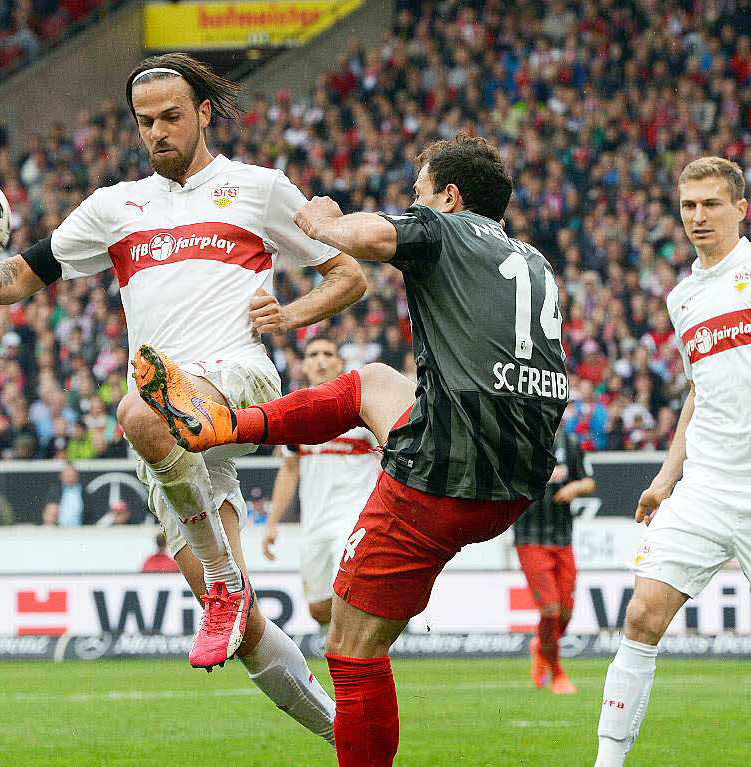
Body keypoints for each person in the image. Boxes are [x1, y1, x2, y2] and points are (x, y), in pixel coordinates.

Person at [0, 53, 366, 743]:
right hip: (169, 428)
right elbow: (30, 269)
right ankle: (350, 738)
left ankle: (223, 577)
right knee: (246, 625)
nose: (158, 131)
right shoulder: (116, 206)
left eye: (171, 116)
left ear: (203, 112)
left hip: (236, 377)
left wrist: (292, 315)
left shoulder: (258, 190)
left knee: (136, 405)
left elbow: (349, 274)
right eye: (145, 122)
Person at [133, 132, 568, 767]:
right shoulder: (532, 260)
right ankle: (223, 423)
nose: (410, 203)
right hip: (519, 478)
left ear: (449, 197)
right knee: (375, 384)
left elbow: (368, 239)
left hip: (443, 477)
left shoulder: (445, 229)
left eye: (417, 193)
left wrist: (318, 219)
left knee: (353, 652)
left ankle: (220, 424)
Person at [594, 157, 751, 766]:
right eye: (689, 206)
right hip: (706, 484)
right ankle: (608, 763)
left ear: (740, 209)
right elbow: (698, 392)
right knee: (642, 614)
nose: (698, 217)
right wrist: (665, 477)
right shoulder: (682, 297)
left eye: (711, 204)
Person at [264, 336, 381, 630]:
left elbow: (384, 463)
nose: (320, 359)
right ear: (303, 364)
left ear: (339, 363)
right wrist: (272, 522)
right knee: (318, 607)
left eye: (327, 353)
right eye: (313, 353)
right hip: (314, 521)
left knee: (347, 596)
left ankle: (355, 661)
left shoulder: (361, 409)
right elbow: (289, 470)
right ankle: (347, 650)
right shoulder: (296, 414)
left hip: (354, 518)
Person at [513, 420, 595, 695]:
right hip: (530, 536)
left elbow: (588, 481)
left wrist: (575, 488)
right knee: (549, 609)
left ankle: (541, 646)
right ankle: (557, 673)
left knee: (566, 611)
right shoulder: (519, 442)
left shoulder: (569, 443)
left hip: (562, 537)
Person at [43, 463, 84, 527]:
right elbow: (50, 512)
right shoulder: (55, 491)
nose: (70, 478)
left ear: (77, 476)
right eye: (68, 476)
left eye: (72, 476)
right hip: (59, 530)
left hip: (79, 529)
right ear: (61, 476)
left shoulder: (83, 491)